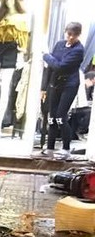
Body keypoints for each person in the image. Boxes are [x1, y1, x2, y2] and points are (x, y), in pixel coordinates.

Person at [0, 0, 30, 136]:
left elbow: (22, 41)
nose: (9, 1)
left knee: (5, 90)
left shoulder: (21, 18)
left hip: (10, 53)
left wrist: (20, 56)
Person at [40, 22, 85, 159]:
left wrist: (46, 56)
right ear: (65, 32)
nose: (70, 38)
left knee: (61, 117)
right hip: (55, 84)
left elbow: (60, 66)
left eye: (74, 35)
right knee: (52, 117)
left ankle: (66, 148)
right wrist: (44, 87)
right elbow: (51, 67)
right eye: (69, 34)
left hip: (69, 85)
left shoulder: (79, 50)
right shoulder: (59, 44)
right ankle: (50, 148)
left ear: (78, 35)